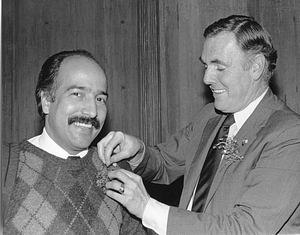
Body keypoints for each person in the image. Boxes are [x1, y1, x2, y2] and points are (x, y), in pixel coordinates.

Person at [98, 15, 300, 235]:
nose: (206, 78)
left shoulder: (289, 135)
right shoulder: (210, 116)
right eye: (205, 65)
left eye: (219, 67)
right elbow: (166, 163)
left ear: (256, 67)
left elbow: (247, 230)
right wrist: (137, 151)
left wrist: (148, 208)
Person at [2, 50, 147, 234]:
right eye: (78, 94)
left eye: (100, 99)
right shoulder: (7, 165)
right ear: (46, 100)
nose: (92, 111)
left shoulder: (118, 172)